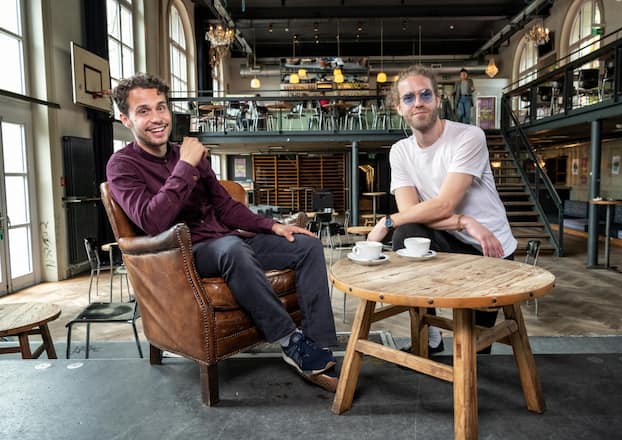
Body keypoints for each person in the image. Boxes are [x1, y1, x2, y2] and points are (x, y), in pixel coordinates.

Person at [107, 73, 338, 391]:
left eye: (161, 107)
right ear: (126, 119)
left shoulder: (188, 153)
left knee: (305, 244)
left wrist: (273, 225)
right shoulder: (122, 165)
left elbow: (225, 207)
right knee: (231, 248)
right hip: (183, 254)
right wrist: (185, 166)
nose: (157, 118)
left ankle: (318, 344)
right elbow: (152, 221)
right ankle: (290, 341)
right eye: (143, 111)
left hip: (227, 242)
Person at [368, 65, 517, 354]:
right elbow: (412, 213)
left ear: (437, 100)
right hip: (448, 240)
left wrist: (386, 222)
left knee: (474, 350)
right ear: (398, 107)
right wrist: (464, 221)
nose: (418, 102)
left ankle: (473, 360)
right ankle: (431, 335)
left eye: (425, 94)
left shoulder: (469, 136)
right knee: (407, 234)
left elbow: (444, 204)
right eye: (409, 97)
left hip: (490, 248)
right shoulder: (400, 151)